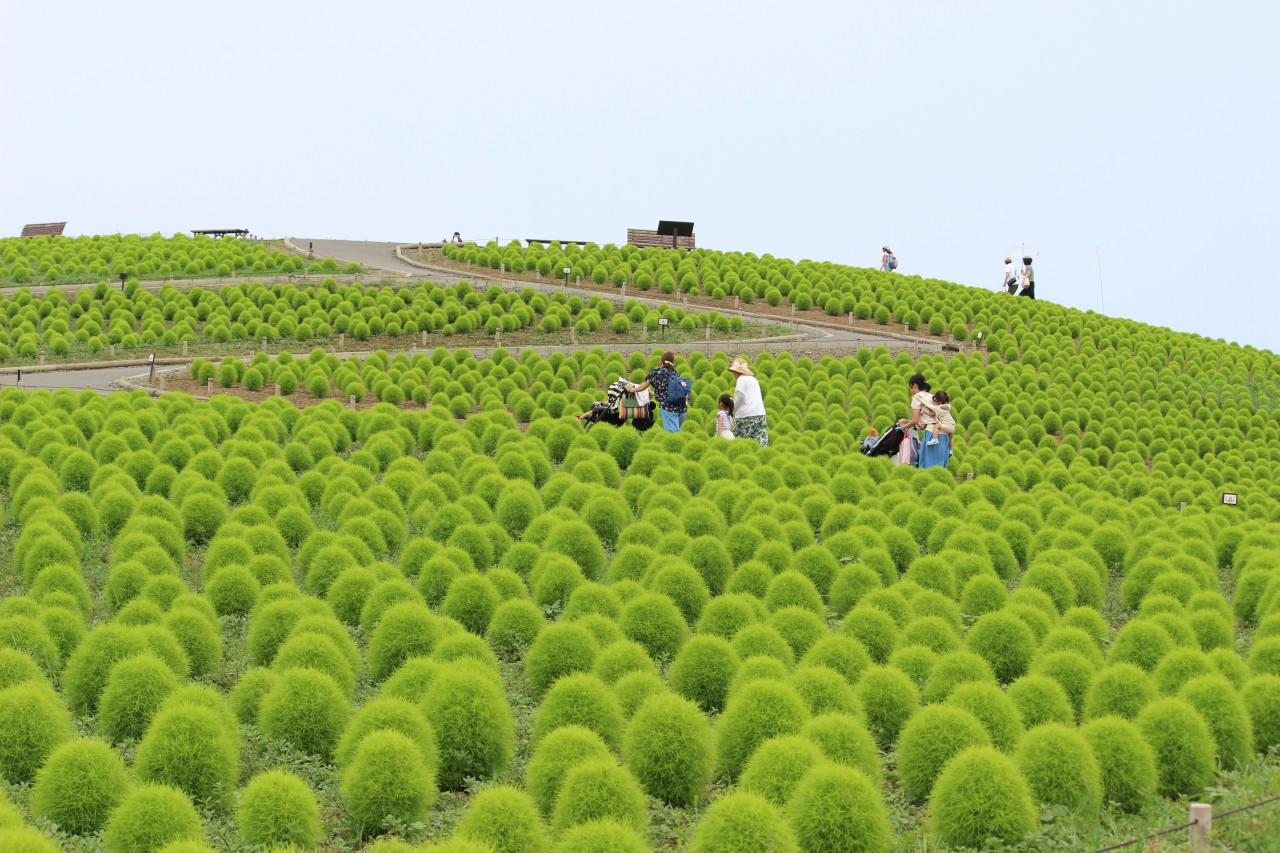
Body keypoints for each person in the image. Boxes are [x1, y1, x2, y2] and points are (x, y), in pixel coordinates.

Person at [627, 350, 687, 433]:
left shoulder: (657, 372)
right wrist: (652, 393)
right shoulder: (675, 374)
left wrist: (630, 389)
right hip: (682, 409)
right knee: (667, 431)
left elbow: (642, 387)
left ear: (661, 362)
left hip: (670, 409)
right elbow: (668, 391)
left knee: (673, 434)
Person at [728, 356, 769, 446]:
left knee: (736, 441)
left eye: (734, 371)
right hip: (760, 414)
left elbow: (740, 397)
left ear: (737, 371)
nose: (733, 373)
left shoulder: (741, 379)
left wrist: (732, 411)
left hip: (746, 416)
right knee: (761, 442)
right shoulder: (754, 380)